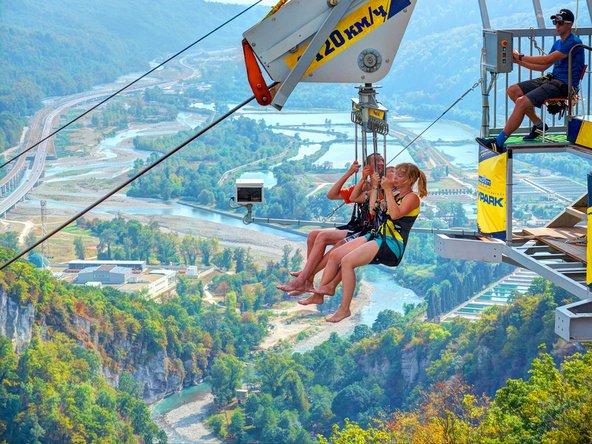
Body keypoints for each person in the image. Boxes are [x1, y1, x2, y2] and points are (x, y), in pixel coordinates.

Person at [309, 163, 427, 322]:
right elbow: (373, 209)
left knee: (347, 262)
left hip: (391, 244)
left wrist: (386, 191)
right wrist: (377, 187)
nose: (394, 178)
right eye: (395, 174)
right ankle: (325, 290)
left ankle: (344, 309)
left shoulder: (412, 198)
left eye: (399, 176)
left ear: (409, 180)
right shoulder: (396, 194)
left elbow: (395, 214)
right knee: (337, 254)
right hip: (378, 236)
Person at [476, 8, 585, 152]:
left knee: (521, 102)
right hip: (552, 80)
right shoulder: (558, 43)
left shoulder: (573, 42)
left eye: (560, 23)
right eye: (555, 22)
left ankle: (498, 142)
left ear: (569, 25)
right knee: (513, 91)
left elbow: (547, 59)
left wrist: (520, 56)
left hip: (564, 85)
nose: (557, 26)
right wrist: (518, 62)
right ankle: (539, 125)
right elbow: (543, 66)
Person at [277, 153, 384, 296]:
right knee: (313, 235)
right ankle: (308, 280)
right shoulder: (363, 186)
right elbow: (331, 195)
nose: (382, 163)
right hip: (357, 225)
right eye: (377, 161)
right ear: (368, 167)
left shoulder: (382, 187)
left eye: (382, 160)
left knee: (322, 236)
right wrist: (350, 173)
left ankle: (304, 278)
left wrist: (369, 182)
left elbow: (365, 200)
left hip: (367, 229)